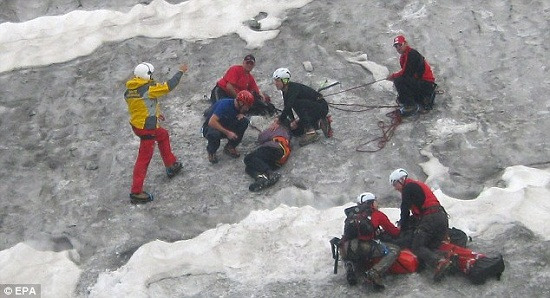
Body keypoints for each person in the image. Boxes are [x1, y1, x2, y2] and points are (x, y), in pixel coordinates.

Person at [124, 62, 188, 204]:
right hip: (147, 128)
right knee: (143, 159)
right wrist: (180, 72)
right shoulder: (148, 88)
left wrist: (155, 114)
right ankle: (136, 192)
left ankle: (171, 164)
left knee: (163, 135)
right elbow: (168, 86)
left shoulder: (129, 90)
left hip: (139, 125)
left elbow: (141, 106)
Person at [389, 168, 454, 282]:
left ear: (401, 180)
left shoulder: (408, 188)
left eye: (395, 184)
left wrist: (402, 229)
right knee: (431, 245)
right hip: (441, 216)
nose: (395, 188)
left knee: (417, 246)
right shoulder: (417, 185)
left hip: (430, 218)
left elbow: (404, 209)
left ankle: (439, 262)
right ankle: (447, 258)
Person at [339, 192, 401, 290]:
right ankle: (375, 272)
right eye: (375, 201)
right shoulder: (377, 214)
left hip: (346, 248)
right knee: (394, 250)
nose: (377, 203)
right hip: (364, 247)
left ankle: (349, 265)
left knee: (350, 250)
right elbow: (394, 232)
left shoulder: (351, 214)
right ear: (370, 203)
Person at [271, 68, 332, 147]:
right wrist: (293, 121)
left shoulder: (293, 88)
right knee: (296, 131)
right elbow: (287, 106)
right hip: (312, 111)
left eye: (278, 81)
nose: (275, 83)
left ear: (285, 81)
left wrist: (279, 121)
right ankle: (321, 123)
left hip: (321, 107)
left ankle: (311, 131)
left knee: (297, 103)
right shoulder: (285, 90)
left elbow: (289, 105)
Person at [386, 35, 437, 116]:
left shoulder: (412, 54)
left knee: (399, 80)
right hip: (422, 83)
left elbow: (406, 73)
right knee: (401, 82)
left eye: (400, 45)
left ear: (405, 43)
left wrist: (393, 76)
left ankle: (410, 105)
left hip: (427, 84)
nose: (398, 48)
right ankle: (413, 100)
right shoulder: (405, 56)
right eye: (396, 46)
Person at [202, 90, 254, 164]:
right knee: (214, 134)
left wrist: (243, 116)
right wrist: (228, 132)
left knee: (244, 122)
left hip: (226, 123)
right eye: (246, 106)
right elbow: (212, 122)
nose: (247, 109)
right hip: (212, 126)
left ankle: (230, 146)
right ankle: (211, 151)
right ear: (241, 103)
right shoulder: (225, 105)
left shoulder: (239, 108)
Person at [243, 119, 292, 192]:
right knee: (250, 166)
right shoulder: (287, 133)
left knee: (249, 158)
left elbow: (261, 138)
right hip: (279, 157)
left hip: (272, 148)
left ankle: (270, 173)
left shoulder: (276, 128)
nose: (273, 122)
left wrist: (269, 128)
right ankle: (260, 178)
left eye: (275, 121)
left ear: (278, 123)